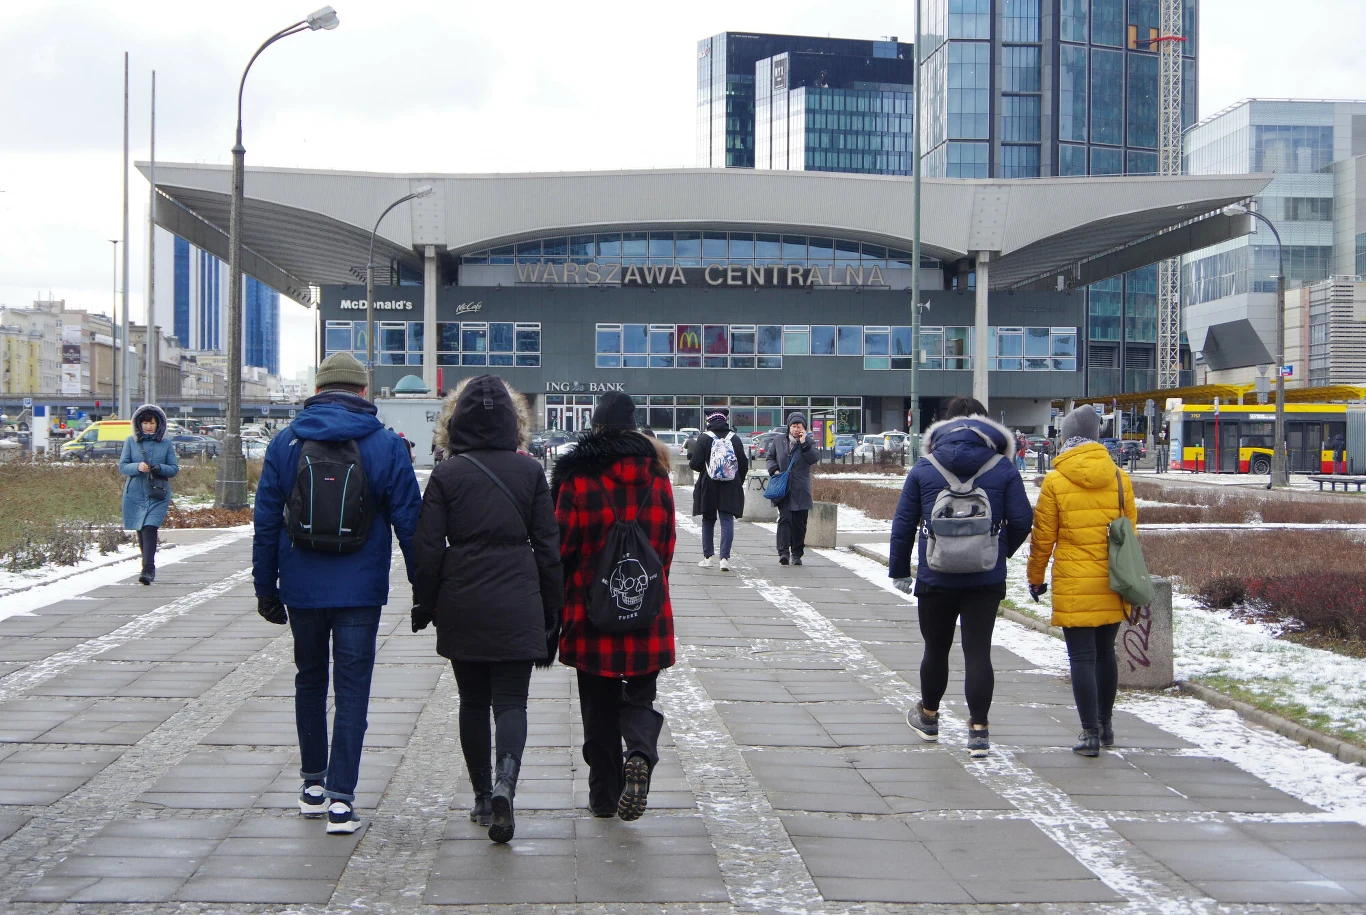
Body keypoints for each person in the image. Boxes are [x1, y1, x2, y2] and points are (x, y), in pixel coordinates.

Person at [252, 352, 422, 835]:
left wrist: (267, 589)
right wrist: (425, 590)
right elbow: (411, 523)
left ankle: (311, 784)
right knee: (352, 690)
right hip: (359, 589)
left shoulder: (286, 442)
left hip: (302, 586)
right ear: (363, 392)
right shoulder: (387, 445)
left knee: (309, 679)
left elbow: (266, 522)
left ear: (319, 389)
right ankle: (342, 800)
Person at [412, 375, 563, 843]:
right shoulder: (530, 472)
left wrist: (428, 602)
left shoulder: (447, 474)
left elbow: (427, 548)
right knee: (512, 703)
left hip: (463, 598)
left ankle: (481, 796)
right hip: (518, 597)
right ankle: (506, 784)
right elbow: (548, 548)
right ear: (512, 423)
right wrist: (551, 611)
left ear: (453, 423)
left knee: (473, 702)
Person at [550, 391, 676, 820]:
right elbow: (665, 546)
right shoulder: (657, 477)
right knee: (640, 694)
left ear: (596, 428)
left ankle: (604, 796)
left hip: (591, 611)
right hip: (645, 609)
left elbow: (560, 547)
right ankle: (639, 751)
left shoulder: (578, 479)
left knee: (597, 704)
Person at [889, 396, 1033, 758]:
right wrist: (997, 553)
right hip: (985, 579)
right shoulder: (1003, 467)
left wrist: (898, 570)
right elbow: (1022, 520)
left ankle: (930, 717)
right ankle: (979, 731)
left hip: (935, 575)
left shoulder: (925, 466)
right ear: (988, 427)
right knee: (978, 651)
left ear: (945, 424)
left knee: (935, 648)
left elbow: (904, 523)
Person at [1026, 404, 1136, 758]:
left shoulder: (1056, 480)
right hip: (1113, 579)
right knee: (1106, 654)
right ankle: (1105, 727)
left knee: (1082, 658)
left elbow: (1043, 537)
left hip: (1074, 581)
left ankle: (1089, 733)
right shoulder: (1120, 478)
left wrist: (1035, 578)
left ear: (1067, 437)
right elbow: (1130, 533)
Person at [119, 403, 179, 586]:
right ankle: (146, 565)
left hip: (157, 493)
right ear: (138, 424)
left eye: (151, 422)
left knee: (150, 528)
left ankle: (148, 568)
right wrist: (137, 467)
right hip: (135, 493)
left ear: (158, 423)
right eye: (144, 423)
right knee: (140, 528)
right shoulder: (131, 442)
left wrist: (160, 468)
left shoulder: (166, 444)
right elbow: (122, 466)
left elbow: (174, 469)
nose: (148, 426)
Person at [688, 410, 748, 571]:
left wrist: (706, 467)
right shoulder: (734, 438)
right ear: (725, 420)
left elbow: (695, 464)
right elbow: (743, 463)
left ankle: (708, 558)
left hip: (709, 485)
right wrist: (737, 480)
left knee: (708, 520)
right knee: (727, 520)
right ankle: (724, 559)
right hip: (730, 486)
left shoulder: (704, 438)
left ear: (709, 421)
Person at [765, 412, 821, 566]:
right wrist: (774, 470)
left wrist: (803, 443)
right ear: (789, 426)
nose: (796, 429)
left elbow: (813, 458)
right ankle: (783, 552)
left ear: (805, 428)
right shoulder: (778, 440)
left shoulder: (809, 442)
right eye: (794, 426)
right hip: (783, 489)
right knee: (784, 519)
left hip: (801, 489)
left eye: (799, 426)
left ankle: (797, 553)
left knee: (799, 524)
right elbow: (770, 457)